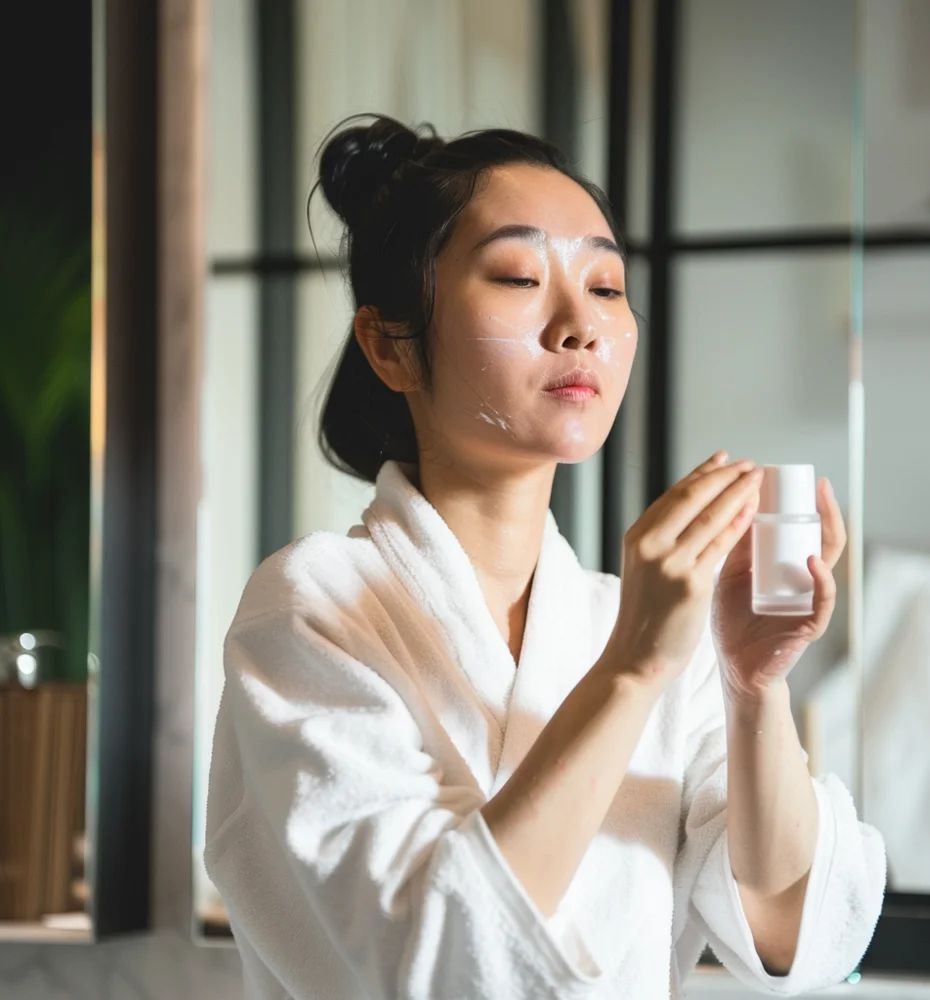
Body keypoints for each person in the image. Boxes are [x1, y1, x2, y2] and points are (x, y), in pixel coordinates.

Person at [204, 113, 885, 1000]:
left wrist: (754, 687)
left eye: (606, 287)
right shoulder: (314, 606)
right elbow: (438, 960)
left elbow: (800, 934)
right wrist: (634, 668)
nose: (581, 325)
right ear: (390, 344)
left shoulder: (633, 625)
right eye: (521, 276)